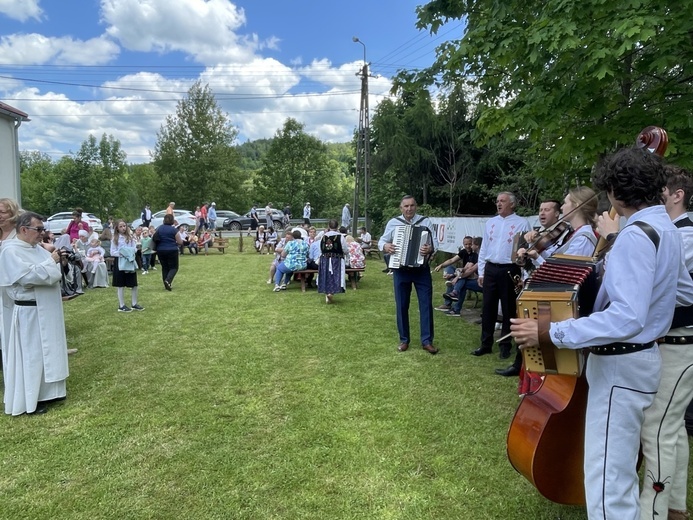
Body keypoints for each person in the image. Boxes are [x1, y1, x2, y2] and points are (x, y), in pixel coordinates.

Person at [510, 147, 693, 520]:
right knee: (617, 470)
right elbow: (683, 292)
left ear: (614, 191)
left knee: (608, 480)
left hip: (621, 364)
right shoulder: (667, 230)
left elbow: (626, 317)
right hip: (642, 361)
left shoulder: (637, 235)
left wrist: (551, 330)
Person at [638, 166, 693, 520]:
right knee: (671, 427)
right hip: (677, 340)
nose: (657, 197)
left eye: (663, 192)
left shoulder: (684, 236)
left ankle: (652, 513)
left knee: (656, 427)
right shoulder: (678, 232)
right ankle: (674, 507)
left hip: (680, 340)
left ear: (679, 195)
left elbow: (675, 290)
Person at [498, 191, 596, 377]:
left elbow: (565, 278)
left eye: (566, 202)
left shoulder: (583, 237)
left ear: (576, 207)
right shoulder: (573, 235)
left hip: (565, 302)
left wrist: (537, 258)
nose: (563, 207)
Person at [0, 212, 69, 415]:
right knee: (32, 354)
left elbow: (52, 274)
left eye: (42, 229)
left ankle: (51, 391)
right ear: (23, 230)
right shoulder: (10, 251)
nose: (43, 233)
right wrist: (51, 263)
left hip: (46, 306)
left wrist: (59, 263)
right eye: (38, 229)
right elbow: (28, 277)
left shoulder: (36, 249)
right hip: (28, 312)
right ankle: (32, 397)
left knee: (49, 349)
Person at [472, 192, 531, 359]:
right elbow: (484, 249)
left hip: (510, 268)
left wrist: (524, 275)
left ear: (512, 204)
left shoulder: (522, 223)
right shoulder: (491, 222)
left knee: (509, 308)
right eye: (497, 201)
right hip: (491, 268)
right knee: (488, 307)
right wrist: (482, 271)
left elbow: (525, 251)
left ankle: (505, 344)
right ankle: (485, 343)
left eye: (502, 201)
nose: (498, 204)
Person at [378, 195, 439, 355]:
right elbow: (381, 241)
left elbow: (436, 244)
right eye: (406, 206)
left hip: (421, 270)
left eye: (412, 205)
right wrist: (386, 246)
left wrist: (430, 249)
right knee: (402, 305)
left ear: (416, 206)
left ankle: (427, 341)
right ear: (401, 208)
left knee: (425, 305)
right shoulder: (393, 223)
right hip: (400, 269)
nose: (409, 209)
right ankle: (404, 339)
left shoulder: (425, 222)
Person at [110, 219, 144, 312]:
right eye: (120, 226)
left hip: (130, 261)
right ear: (117, 228)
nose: (123, 228)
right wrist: (123, 253)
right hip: (120, 261)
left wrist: (131, 252)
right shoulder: (115, 239)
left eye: (124, 226)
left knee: (133, 284)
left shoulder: (130, 237)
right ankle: (121, 305)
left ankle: (134, 303)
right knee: (120, 284)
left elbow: (134, 248)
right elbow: (112, 252)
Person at [318, 219, 347, 304]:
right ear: (337, 227)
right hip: (336, 259)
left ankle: (327, 292)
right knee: (335, 276)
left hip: (325, 259)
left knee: (326, 275)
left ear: (328, 226)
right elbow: (345, 249)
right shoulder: (340, 236)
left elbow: (321, 248)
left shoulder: (323, 236)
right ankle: (331, 293)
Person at [152, 213, 183, 291]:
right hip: (172, 250)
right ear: (172, 221)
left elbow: (155, 238)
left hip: (160, 250)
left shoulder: (159, 229)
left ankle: (166, 284)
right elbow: (180, 242)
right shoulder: (174, 230)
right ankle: (168, 280)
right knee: (174, 267)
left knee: (165, 267)